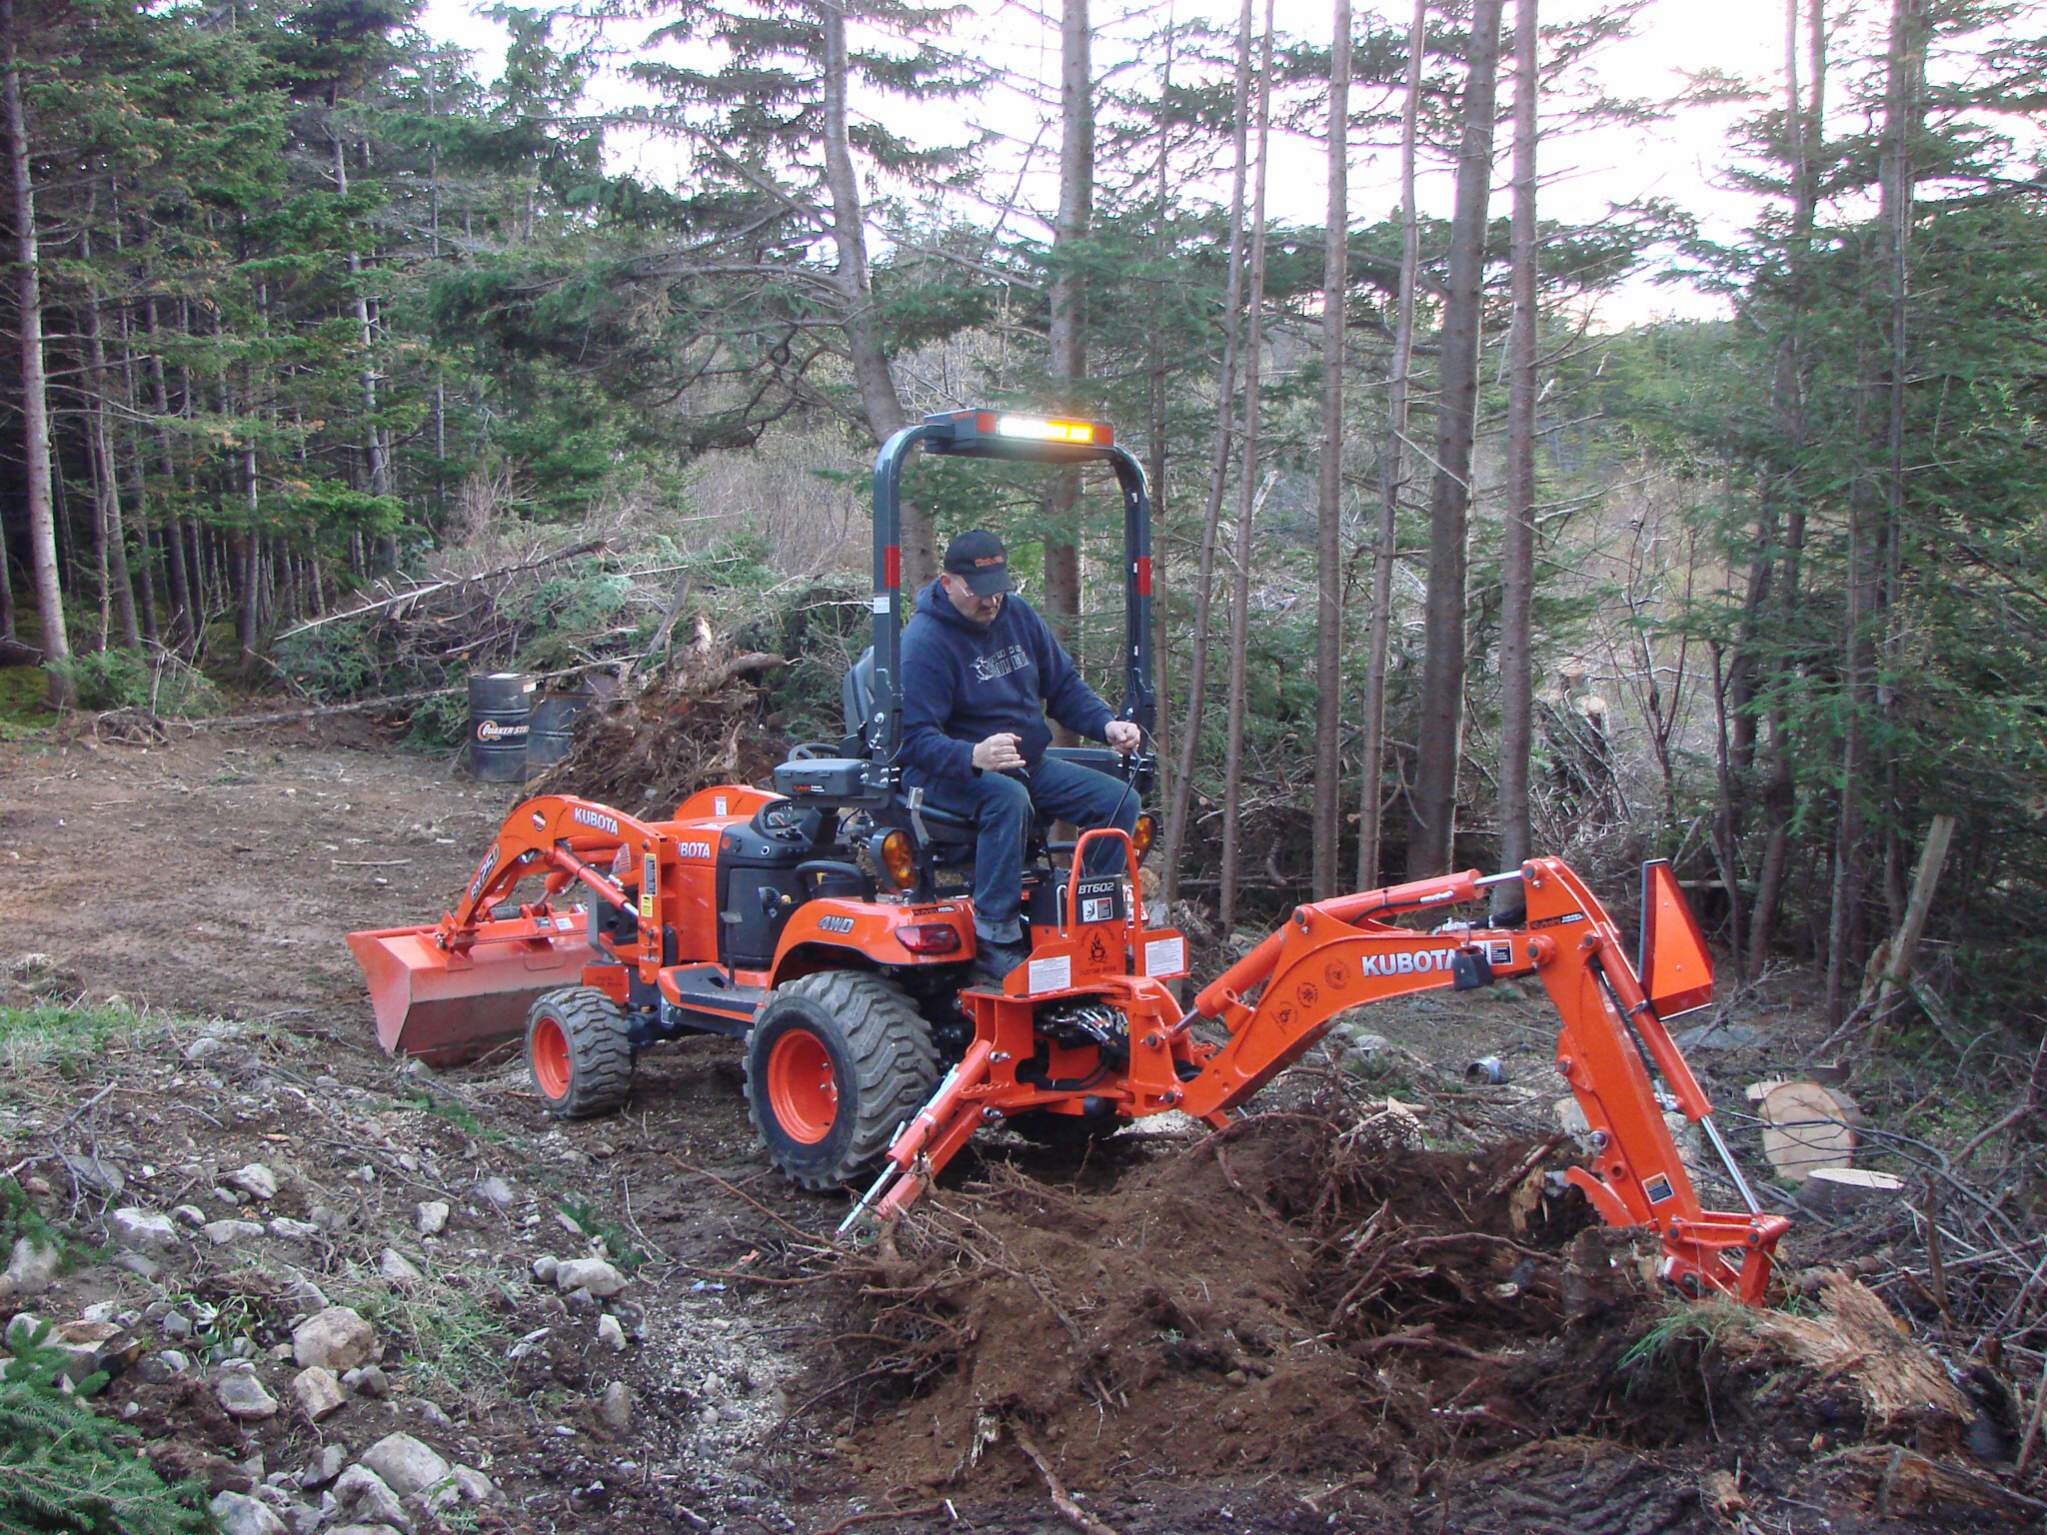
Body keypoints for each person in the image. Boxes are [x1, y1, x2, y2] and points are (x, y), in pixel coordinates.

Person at [898, 529, 1142, 983]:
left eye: (998, 590)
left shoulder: (1019, 616)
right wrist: (974, 754)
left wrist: (1106, 725)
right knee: (1006, 798)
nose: (992, 602)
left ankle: (1087, 917)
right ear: (948, 583)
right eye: (980, 592)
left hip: (1027, 765)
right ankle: (995, 936)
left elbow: (1063, 686)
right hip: (945, 773)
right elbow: (913, 741)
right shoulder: (924, 642)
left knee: (1118, 801)